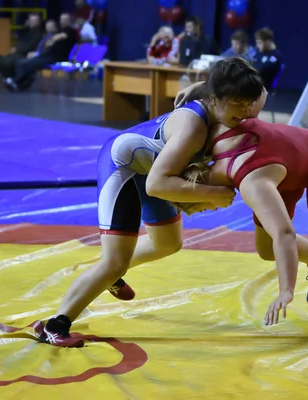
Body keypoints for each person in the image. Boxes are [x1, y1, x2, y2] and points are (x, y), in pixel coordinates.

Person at [31, 58, 268, 348]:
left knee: (167, 243)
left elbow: (260, 94)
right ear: (215, 99)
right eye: (238, 105)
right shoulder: (193, 127)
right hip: (124, 167)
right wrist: (210, 193)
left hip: (149, 167)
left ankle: (111, 274)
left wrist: (203, 85)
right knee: (114, 260)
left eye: (248, 104)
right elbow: (158, 184)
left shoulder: (224, 104)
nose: (245, 112)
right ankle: (54, 326)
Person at [169, 77, 308, 346]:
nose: (215, 208)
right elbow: (254, 88)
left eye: (206, 208)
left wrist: (286, 290)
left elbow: (285, 235)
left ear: (207, 192)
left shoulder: (250, 180)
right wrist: (202, 87)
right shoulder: (217, 123)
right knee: (265, 249)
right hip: (283, 169)